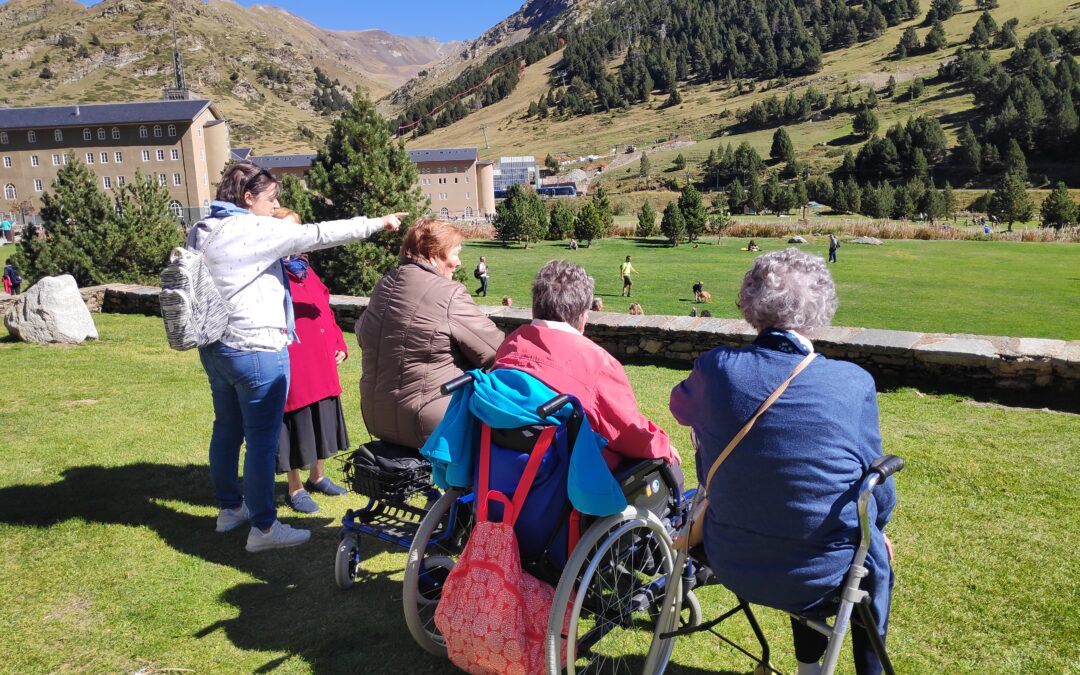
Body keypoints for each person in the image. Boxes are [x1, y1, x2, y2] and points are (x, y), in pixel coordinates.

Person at [669, 248, 896, 675]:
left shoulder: (715, 368)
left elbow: (680, 409)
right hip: (820, 574)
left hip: (730, 558)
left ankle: (809, 668)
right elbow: (877, 493)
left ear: (750, 305)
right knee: (871, 555)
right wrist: (878, 527)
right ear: (821, 308)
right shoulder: (851, 383)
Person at [189, 161, 406, 553]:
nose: (275, 208)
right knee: (260, 439)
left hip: (216, 347)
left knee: (226, 431)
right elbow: (320, 234)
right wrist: (378, 221)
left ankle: (229, 510)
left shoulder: (203, 228)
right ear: (247, 197)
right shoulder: (253, 229)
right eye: (271, 199)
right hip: (255, 350)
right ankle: (265, 529)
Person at [493, 260, 680, 473]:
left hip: (507, 477)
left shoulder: (510, 346)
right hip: (574, 486)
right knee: (671, 470)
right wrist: (663, 445)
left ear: (534, 308)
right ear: (583, 317)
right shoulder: (598, 364)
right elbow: (629, 433)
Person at [358, 218, 504, 450]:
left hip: (377, 413)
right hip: (430, 421)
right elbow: (497, 352)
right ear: (434, 254)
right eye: (455, 253)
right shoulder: (449, 294)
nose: (458, 263)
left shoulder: (385, 285)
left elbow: (362, 334)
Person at [273, 208, 351, 514]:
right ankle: (294, 488)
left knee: (323, 419)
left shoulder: (305, 267)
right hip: (294, 361)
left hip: (322, 360)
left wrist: (339, 342)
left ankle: (317, 475)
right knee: (294, 423)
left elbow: (325, 309)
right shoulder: (269, 273)